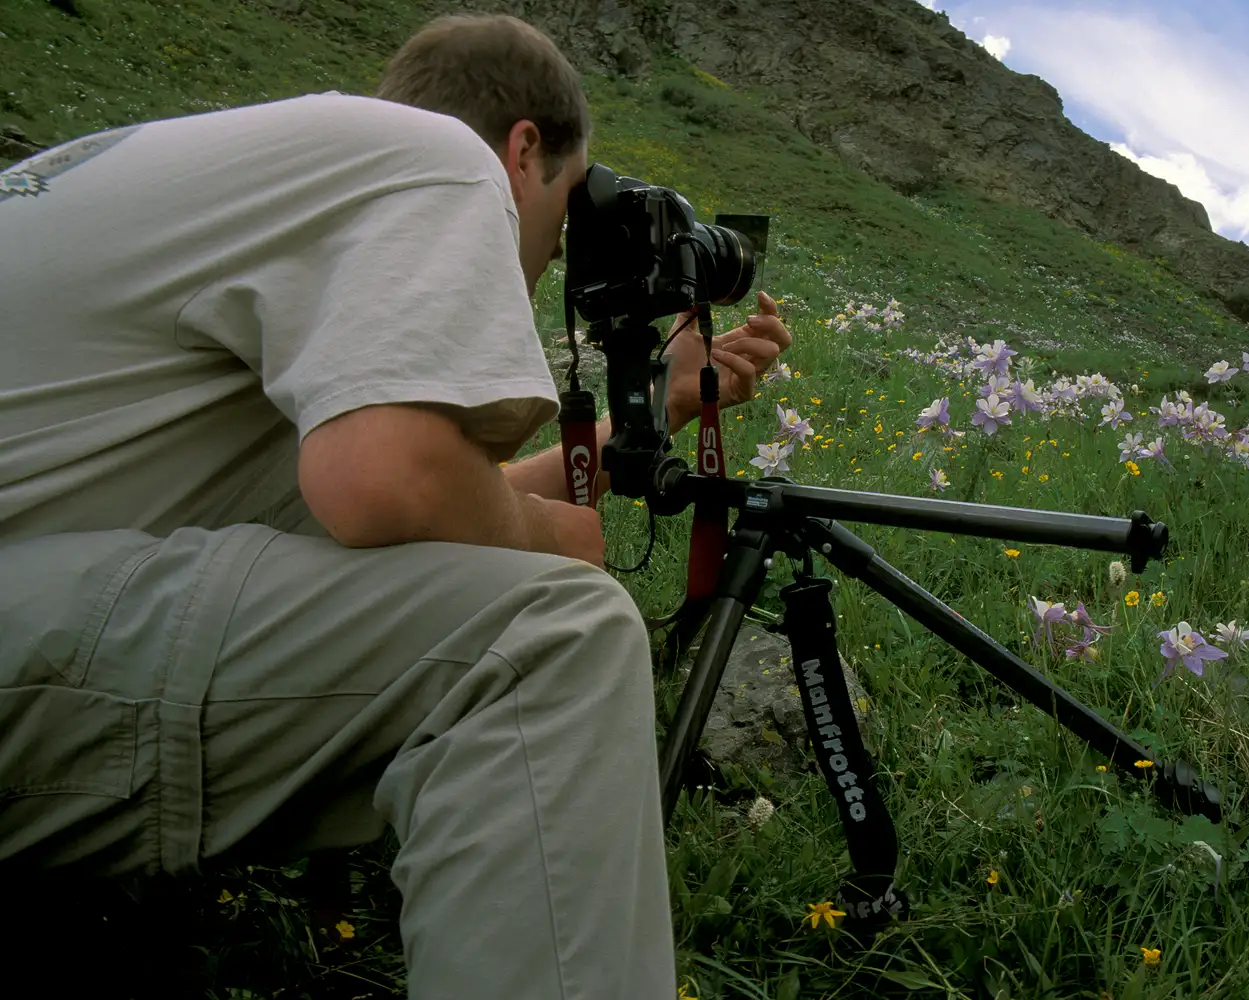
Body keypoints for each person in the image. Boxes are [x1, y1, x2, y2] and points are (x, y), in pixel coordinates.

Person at [0, 12, 791, 999]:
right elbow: (389, 479)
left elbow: (410, 505)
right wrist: (557, 538)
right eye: (556, 225)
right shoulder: (437, 157)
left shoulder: (256, 174)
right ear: (523, 149)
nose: (544, 261)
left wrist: (662, 401)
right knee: (556, 634)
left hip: (38, 584)